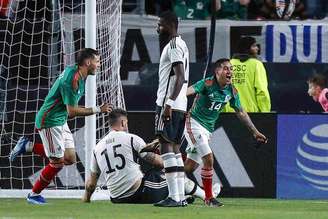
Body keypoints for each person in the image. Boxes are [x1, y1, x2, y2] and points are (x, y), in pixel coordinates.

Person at [9, 48, 112, 204]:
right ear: (88, 62)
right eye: (97, 61)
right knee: (57, 163)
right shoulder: (73, 80)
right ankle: (34, 194)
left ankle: (27, 146)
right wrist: (98, 109)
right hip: (49, 121)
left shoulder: (78, 73)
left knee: (69, 158)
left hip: (60, 119)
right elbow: (72, 112)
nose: (99, 64)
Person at [184, 58, 268, 207]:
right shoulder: (207, 83)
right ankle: (209, 198)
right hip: (194, 123)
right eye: (226, 69)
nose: (230, 72)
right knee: (208, 158)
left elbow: (241, 112)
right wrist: (172, 103)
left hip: (207, 130)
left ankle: (167, 176)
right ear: (217, 72)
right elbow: (187, 92)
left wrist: (255, 132)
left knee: (189, 167)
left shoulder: (232, 91)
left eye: (231, 69)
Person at [82, 109, 212, 204]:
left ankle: (182, 196)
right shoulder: (131, 139)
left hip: (116, 199)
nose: (127, 126)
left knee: (158, 176)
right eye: (126, 123)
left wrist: (86, 200)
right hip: (139, 193)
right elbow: (160, 163)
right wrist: (175, 163)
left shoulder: (97, 148)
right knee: (174, 174)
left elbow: (91, 184)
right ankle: (207, 196)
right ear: (122, 123)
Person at [154, 11, 189, 207]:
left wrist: (167, 103)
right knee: (175, 149)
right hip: (180, 104)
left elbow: (180, 77)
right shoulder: (181, 44)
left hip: (170, 104)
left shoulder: (174, 45)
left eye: (159, 24)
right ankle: (180, 197)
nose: (157, 27)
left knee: (166, 146)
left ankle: (174, 197)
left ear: (169, 24)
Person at [223, 36, 271, 112]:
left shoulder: (228, 64)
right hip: (251, 114)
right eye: (254, 46)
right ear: (246, 48)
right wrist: (265, 112)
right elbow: (262, 91)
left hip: (230, 112)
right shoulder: (256, 65)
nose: (257, 48)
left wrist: (222, 112)